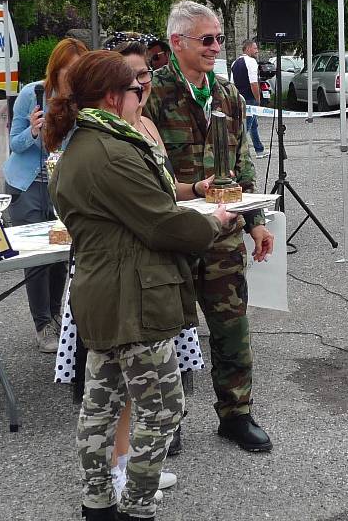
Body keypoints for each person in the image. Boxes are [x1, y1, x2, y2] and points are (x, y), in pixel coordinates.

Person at [45, 50, 233, 521]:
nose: (142, 93)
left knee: (102, 405)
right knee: (164, 410)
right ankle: (136, 507)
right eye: (135, 88)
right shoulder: (108, 150)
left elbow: (141, 213)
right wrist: (216, 222)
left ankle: (98, 504)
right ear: (112, 97)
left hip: (107, 292)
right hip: (133, 297)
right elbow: (160, 223)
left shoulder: (87, 142)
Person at [145, 0, 275, 453]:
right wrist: (188, 190)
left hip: (222, 236)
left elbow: (241, 162)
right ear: (177, 42)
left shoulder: (227, 94)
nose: (216, 47)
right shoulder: (151, 96)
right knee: (168, 333)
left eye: (219, 39)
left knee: (231, 327)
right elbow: (145, 172)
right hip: (172, 238)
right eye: (207, 40)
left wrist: (256, 221)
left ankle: (236, 414)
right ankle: (168, 419)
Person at [4, 37, 88, 352]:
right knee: (36, 256)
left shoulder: (82, 99)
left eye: (79, 71)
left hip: (61, 185)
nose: (72, 77)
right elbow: (15, 143)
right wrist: (34, 130)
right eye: (68, 70)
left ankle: (55, 314)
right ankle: (42, 325)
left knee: (60, 253)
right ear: (57, 68)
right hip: (26, 185)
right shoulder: (33, 94)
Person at [230, 39, 267, 158]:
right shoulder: (251, 62)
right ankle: (235, 153)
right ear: (248, 49)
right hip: (250, 99)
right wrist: (258, 99)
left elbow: (232, 83)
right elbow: (253, 83)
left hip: (239, 98)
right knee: (246, 128)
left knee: (253, 125)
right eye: (255, 48)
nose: (257, 51)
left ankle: (259, 150)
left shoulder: (235, 63)